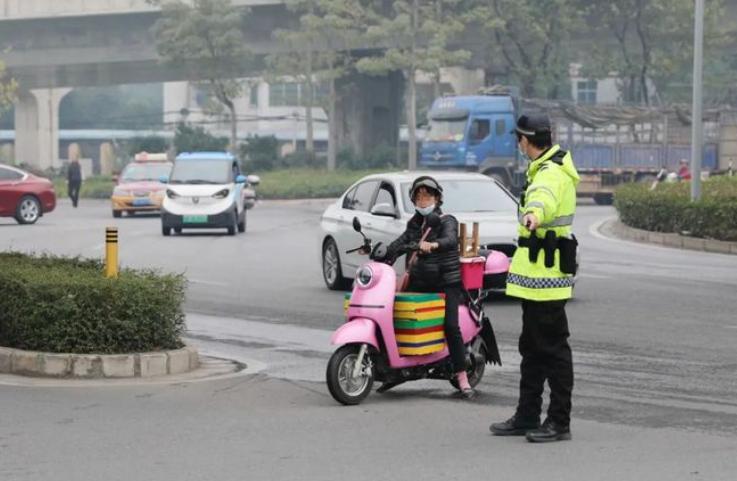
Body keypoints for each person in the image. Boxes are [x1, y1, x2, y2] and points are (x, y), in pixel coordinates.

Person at [489, 114, 579, 442]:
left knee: (553, 350)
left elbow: (543, 199)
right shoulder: (542, 167)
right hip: (536, 277)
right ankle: (527, 415)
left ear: (526, 140)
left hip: (548, 277)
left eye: (519, 140)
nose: (518, 145)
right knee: (532, 348)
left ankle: (559, 422)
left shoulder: (550, 173)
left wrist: (533, 214)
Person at [381, 176, 474, 399]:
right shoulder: (414, 224)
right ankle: (396, 366)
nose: (423, 200)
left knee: (451, 326)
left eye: (428, 195)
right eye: (419, 196)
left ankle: (462, 377)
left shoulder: (447, 220)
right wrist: (383, 253)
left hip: (446, 283)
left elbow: (451, 240)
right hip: (420, 282)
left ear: (437, 198)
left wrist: (433, 244)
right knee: (394, 315)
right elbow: (400, 243)